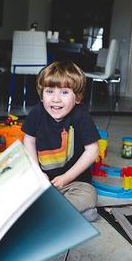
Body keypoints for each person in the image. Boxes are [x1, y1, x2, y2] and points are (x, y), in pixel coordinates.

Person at [22, 60, 100, 221]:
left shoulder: (81, 116)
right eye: (49, 91)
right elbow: (29, 141)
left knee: (89, 195)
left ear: (77, 98)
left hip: (73, 182)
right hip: (41, 180)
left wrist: (66, 178)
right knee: (13, 185)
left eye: (64, 92)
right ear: (42, 95)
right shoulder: (37, 112)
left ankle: (48, 211)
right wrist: (37, 172)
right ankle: (69, 213)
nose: (56, 99)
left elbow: (93, 150)